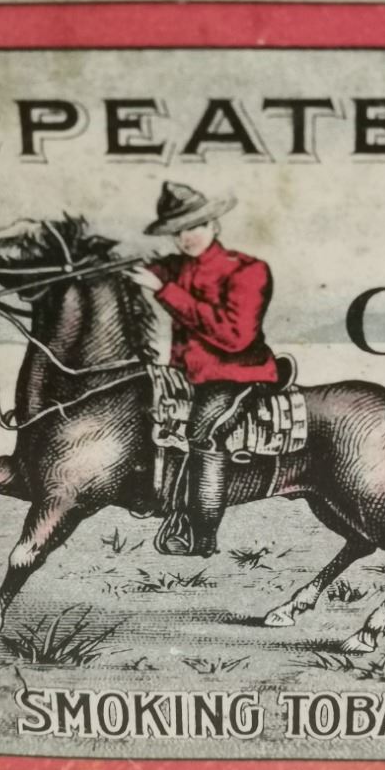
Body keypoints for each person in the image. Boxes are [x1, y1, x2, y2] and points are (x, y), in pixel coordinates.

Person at [128, 181, 278, 554]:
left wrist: (164, 291)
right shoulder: (173, 267)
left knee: (203, 434)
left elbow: (235, 337)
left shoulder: (248, 270)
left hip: (237, 377)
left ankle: (200, 535)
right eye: (178, 230)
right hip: (185, 377)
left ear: (214, 225)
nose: (187, 237)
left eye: (195, 226)